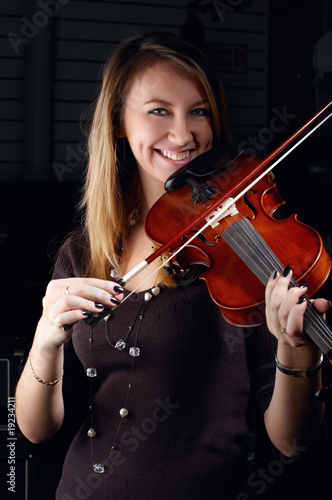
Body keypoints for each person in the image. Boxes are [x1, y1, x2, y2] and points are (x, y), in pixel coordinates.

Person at [15, 32, 330, 499]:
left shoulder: (247, 251)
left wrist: (296, 350)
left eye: (198, 111)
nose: (183, 135)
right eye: (159, 111)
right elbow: (36, 431)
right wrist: (45, 342)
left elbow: (290, 440)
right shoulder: (86, 252)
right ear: (119, 123)